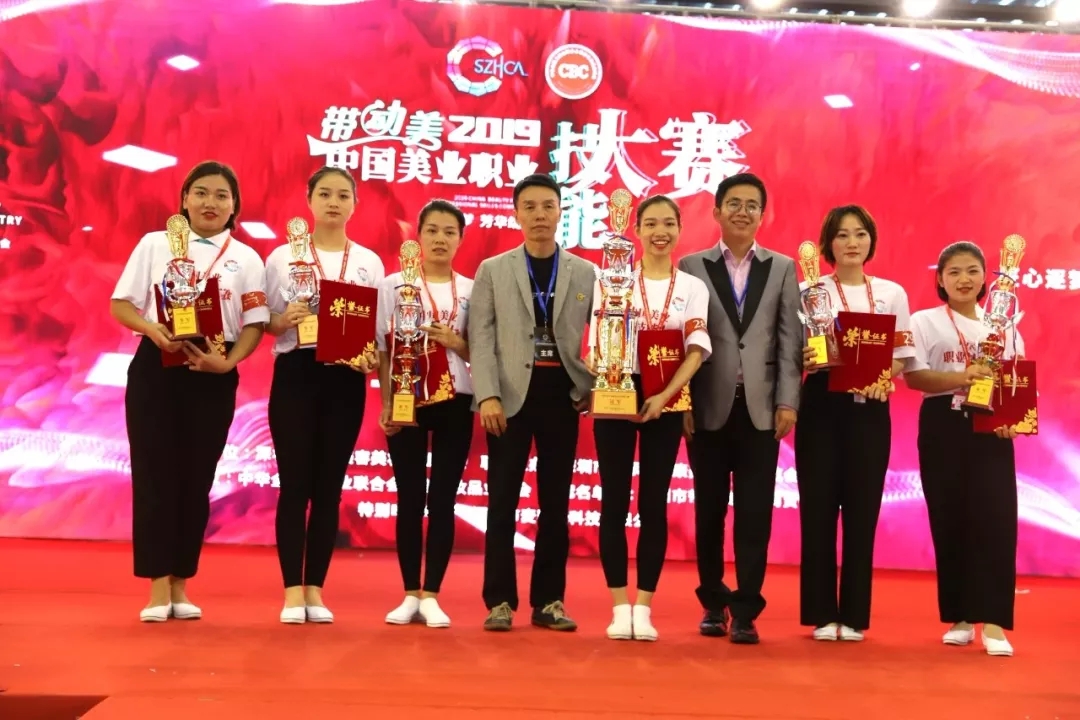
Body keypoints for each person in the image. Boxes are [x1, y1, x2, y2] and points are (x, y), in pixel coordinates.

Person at [110, 160, 269, 622]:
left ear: (234, 206)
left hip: (213, 372)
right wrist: (151, 329)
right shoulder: (154, 244)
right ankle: (158, 588)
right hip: (156, 369)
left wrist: (229, 362)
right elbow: (121, 304)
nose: (210, 203)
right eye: (200, 192)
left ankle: (182, 583)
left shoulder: (247, 258)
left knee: (197, 479)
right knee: (154, 475)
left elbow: (255, 324)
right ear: (184, 199)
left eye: (221, 195)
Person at [677, 172, 802, 644]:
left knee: (754, 514)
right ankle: (713, 603)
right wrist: (682, 400)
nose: (742, 211)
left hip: (760, 408)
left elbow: (790, 339)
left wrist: (787, 400)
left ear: (762, 214)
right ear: (717, 211)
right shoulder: (691, 266)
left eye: (752, 205)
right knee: (708, 512)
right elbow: (681, 337)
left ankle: (746, 608)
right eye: (733, 203)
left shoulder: (783, 268)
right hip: (707, 404)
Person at [468, 174, 596, 632]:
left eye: (548, 206)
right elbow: (480, 336)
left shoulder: (586, 271)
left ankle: (550, 600)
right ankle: (499, 600)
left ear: (561, 211)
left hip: (563, 397)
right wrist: (487, 394)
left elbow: (603, 336)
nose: (539, 215)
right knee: (502, 503)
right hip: (508, 398)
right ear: (516, 213)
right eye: (530, 206)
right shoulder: (493, 269)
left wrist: (595, 386)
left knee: (556, 506)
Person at [264, 166, 384, 624]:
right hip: (296, 373)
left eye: (343, 195)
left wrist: (369, 358)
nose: (334, 202)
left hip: (345, 379)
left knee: (329, 488)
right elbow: (265, 321)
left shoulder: (368, 262)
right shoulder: (282, 257)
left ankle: (315, 588)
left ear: (355, 204)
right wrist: (283, 321)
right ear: (309, 200)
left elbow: (374, 332)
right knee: (295, 485)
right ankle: (291, 591)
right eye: (325, 194)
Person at [589, 196, 710, 641]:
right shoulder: (609, 278)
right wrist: (605, 377)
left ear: (679, 229)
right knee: (614, 500)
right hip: (617, 390)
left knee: (653, 503)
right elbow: (596, 341)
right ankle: (619, 606)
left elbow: (696, 349)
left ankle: (644, 606)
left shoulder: (692, 287)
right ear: (637, 230)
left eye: (669, 224)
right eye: (651, 224)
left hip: (668, 395)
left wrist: (665, 396)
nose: (660, 232)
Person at [795, 205, 916, 642]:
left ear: (871, 241)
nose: (851, 242)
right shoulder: (808, 290)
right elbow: (794, 350)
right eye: (842, 234)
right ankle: (821, 613)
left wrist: (885, 377)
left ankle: (854, 615)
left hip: (869, 407)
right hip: (820, 405)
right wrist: (806, 357)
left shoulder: (891, 293)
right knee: (818, 510)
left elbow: (903, 355)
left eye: (860, 234)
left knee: (862, 511)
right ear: (828, 244)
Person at [905, 241, 1024, 657]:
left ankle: (993, 621)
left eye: (972, 271)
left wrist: (1013, 419)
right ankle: (958, 616)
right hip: (942, 425)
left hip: (990, 427)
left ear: (985, 278)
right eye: (953, 272)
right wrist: (962, 376)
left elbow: (1016, 381)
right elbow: (915, 377)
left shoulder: (1004, 325)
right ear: (940, 279)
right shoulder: (924, 321)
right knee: (949, 518)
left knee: (996, 520)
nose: (964, 279)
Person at [377, 200, 474, 629]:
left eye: (449, 232)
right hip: (406, 399)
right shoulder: (393, 285)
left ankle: (432, 593)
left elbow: (482, 349)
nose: (439, 239)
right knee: (410, 496)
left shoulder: (472, 288)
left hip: (456, 399)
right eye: (432, 230)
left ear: (460, 239)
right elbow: (382, 347)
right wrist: (386, 403)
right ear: (418, 236)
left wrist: (456, 343)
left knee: (443, 499)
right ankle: (408, 593)